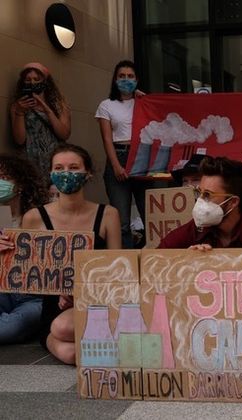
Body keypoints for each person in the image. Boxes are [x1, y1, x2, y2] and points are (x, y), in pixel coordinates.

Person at [21, 144, 121, 364]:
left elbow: (117, 269)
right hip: (54, 307)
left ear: (88, 173)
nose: (66, 173)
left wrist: (80, 292)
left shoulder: (108, 214)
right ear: (51, 173)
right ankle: (113, 341)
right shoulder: (33, 218)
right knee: (72, 353)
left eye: (74, 167)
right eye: (59, 167)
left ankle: (110, 337)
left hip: (97, 301)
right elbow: (24, 272)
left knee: (64, 330)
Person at [159, 156, 242, 249]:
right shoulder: (193, 232)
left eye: (207, 195)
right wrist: (187, 263)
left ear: (232, 202)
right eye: (198, 193)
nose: (199, 200)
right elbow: (152, 264)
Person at [96, 60, 146, 249]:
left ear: (137, 79)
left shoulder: (143, 102)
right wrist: (116, 165)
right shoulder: (106, 105)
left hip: (142, 157)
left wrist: (144, 98)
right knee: (122, 220)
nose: (126, 80)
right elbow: (107, 139)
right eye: (121, 76)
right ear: (115, 79)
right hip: (119, 156)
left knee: (150, 216)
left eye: (130, 76)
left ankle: (151, 258)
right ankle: (128, 262)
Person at [0, 155, 49, 344]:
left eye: (4, 177)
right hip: (2, 290)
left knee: (12, 327)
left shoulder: (40, 216)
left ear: (19, 185)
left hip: (33, 297)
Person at [10, 62, 71, 182]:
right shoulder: (17, 106)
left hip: (56, 160)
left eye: (36, 79)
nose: (32, 82)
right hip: (31, 161)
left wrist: (47, 110)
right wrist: (20, 112)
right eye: (28, 79)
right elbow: (19, 140)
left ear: (45, 82)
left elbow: (64, 134)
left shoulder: (59, 105)